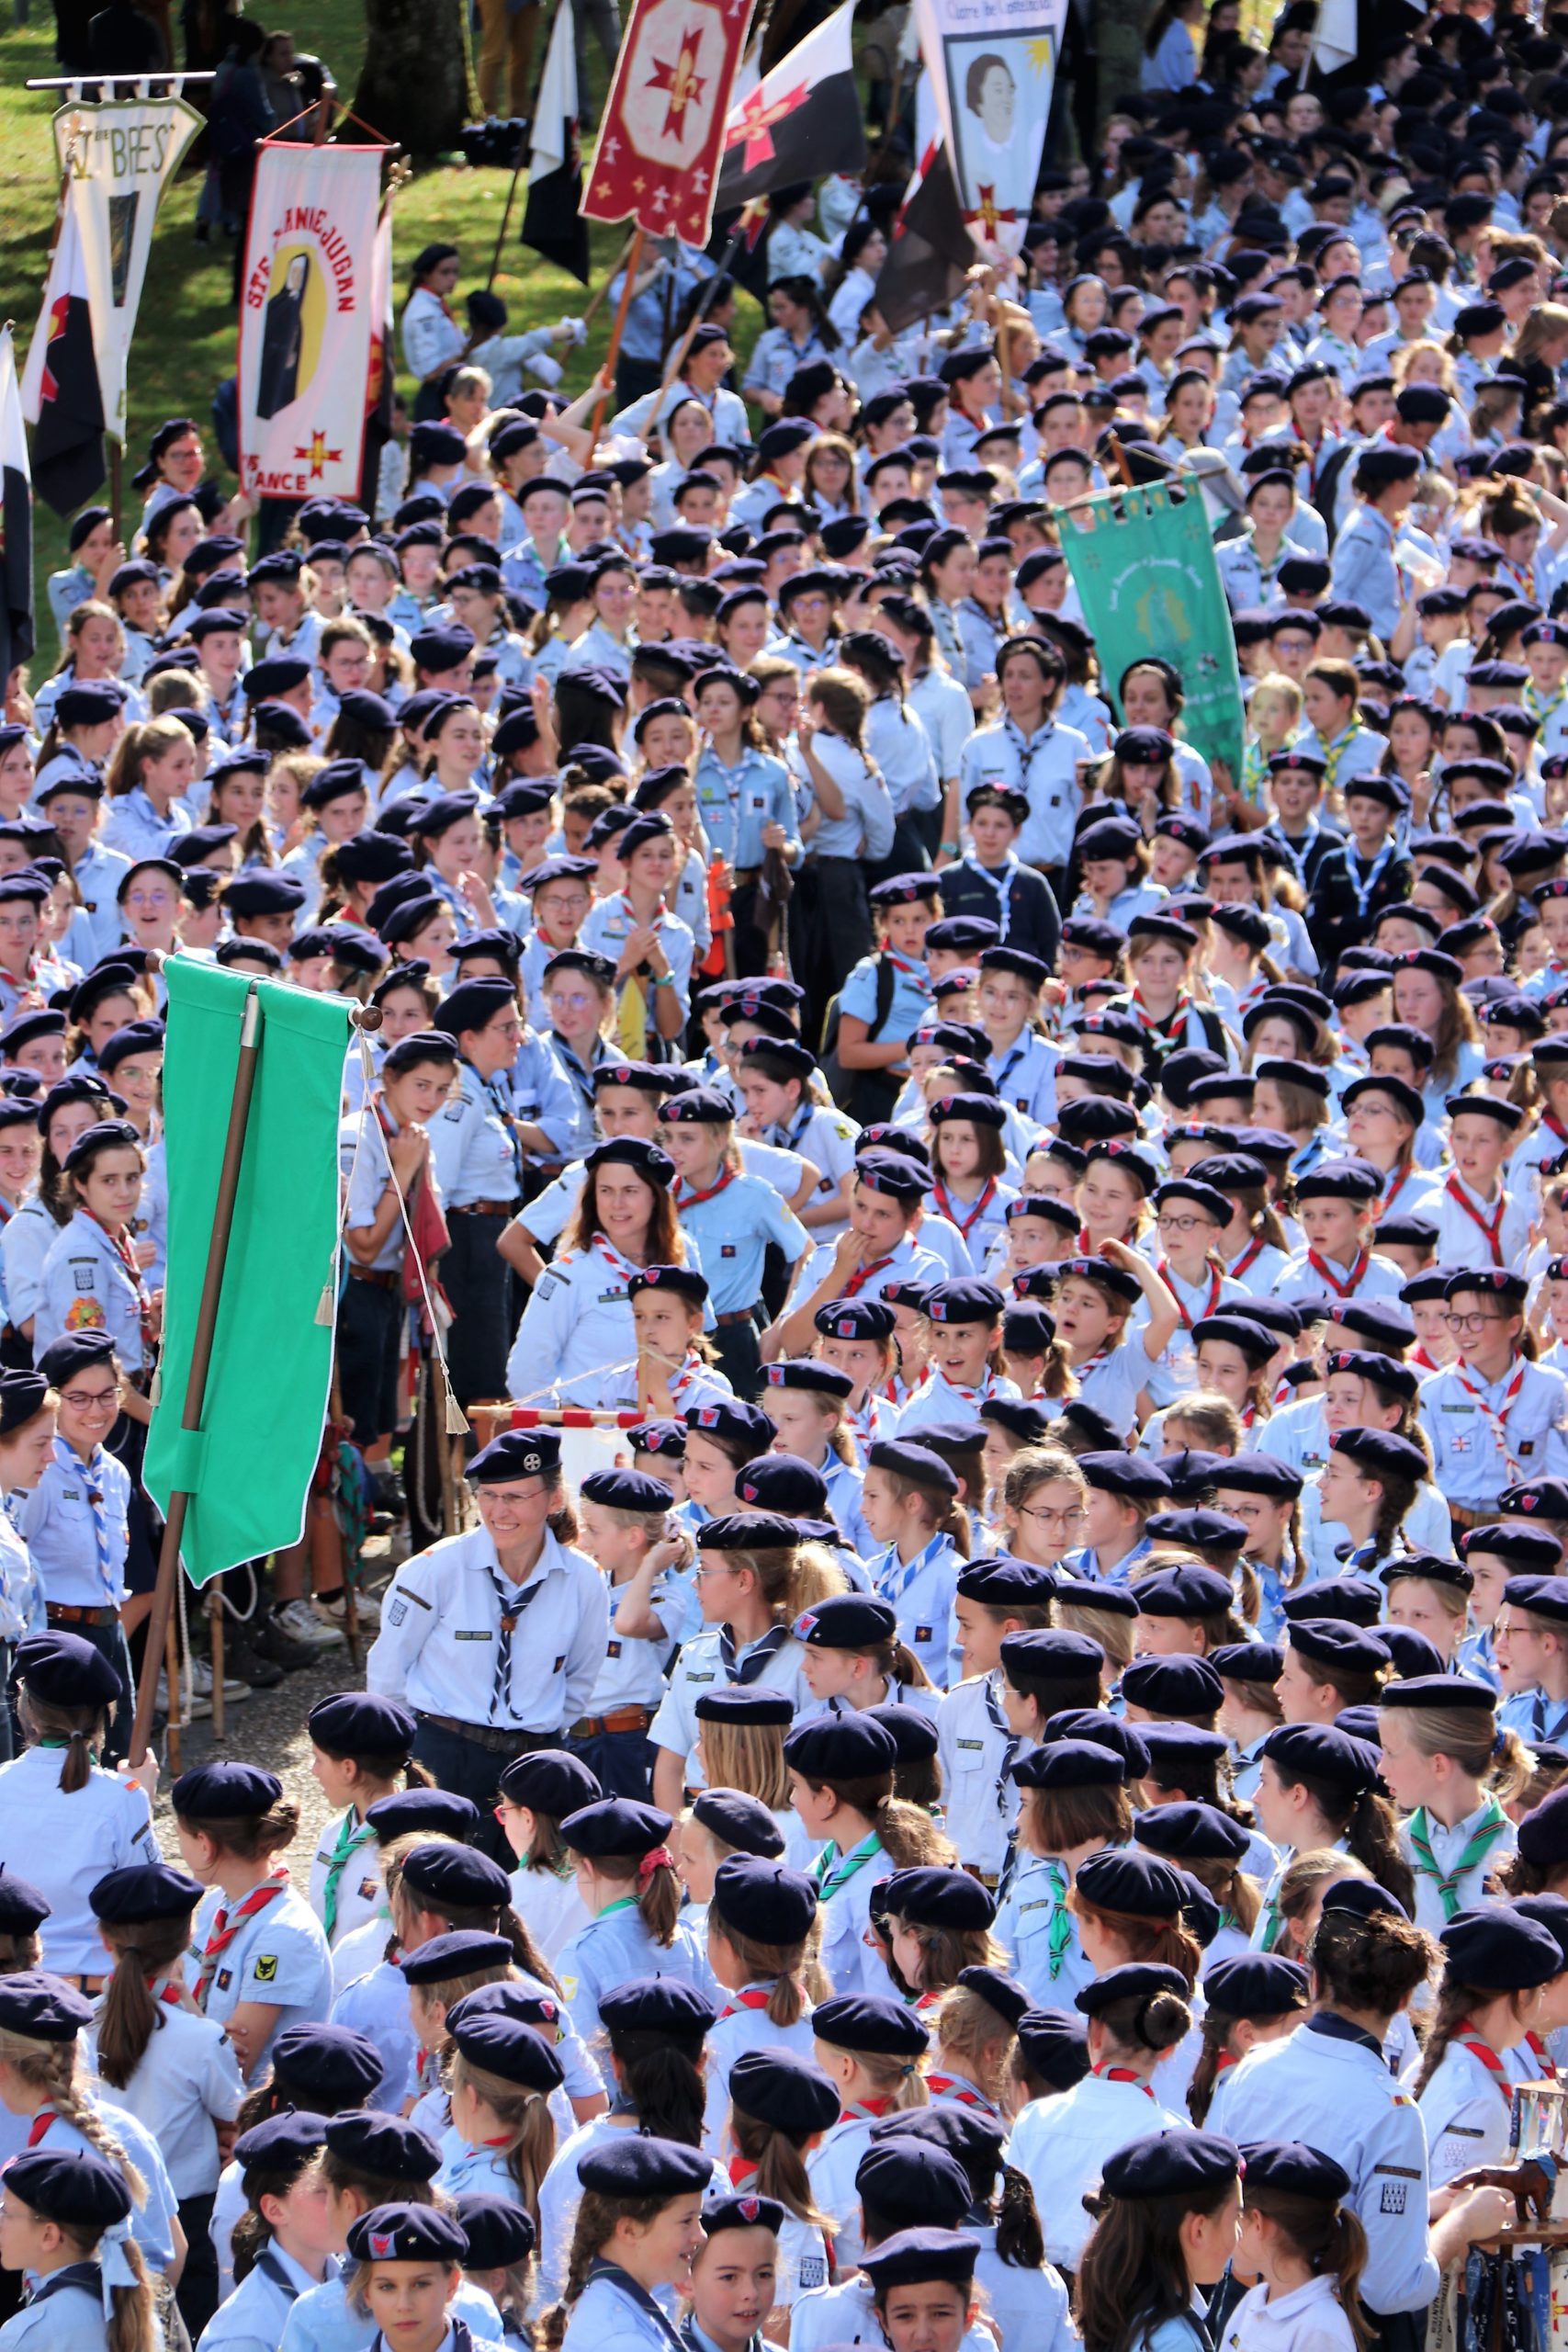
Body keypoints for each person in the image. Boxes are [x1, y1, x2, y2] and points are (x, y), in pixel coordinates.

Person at [366, 1430, 608, 1838]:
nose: (499, 1511)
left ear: (553, 1501)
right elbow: (388, 1672)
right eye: (488, 1496)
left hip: (535, 1758)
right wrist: (405, 1758)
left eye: (515, 1497)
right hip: (443, 1753)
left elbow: (581, 1676)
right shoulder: (436, 1568)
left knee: (531, 1889)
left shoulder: (584, 1579)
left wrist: (538, 1727)